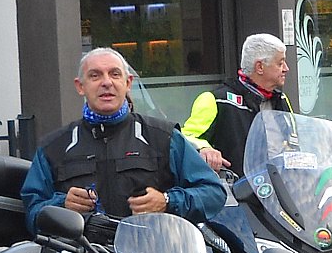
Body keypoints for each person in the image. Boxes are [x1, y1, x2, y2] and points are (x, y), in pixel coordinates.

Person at [22, 48, 225, 233]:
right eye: (95, 75)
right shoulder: (54, 147)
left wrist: (167, 201)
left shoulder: (163, 137)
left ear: (128, 83)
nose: (106, 82)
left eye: (115, 74)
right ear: (80, 86)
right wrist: (62, 205)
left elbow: (213, 193)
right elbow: (32, 213)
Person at [181, 34, 291, 174]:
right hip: (236, 185)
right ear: (260, 67)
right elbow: (185, 137)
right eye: (280, 63)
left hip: (279, 184)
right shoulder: (216, 100)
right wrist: (204, 148)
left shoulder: (281, 99)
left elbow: (293, 141)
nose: (286, 68)